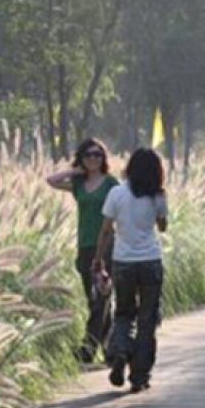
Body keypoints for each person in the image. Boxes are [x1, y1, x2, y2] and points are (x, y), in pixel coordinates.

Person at [93, 148, 168, 393]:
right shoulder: (157, 195)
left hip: (123, 262)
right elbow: (163, 226)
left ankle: (120, 353)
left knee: (123, 313)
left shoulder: (116, 193)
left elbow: (106, 230)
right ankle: (139, 376)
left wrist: (98, 260)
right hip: (150, 261)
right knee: (147, 320)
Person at [46, 138, 119, 363]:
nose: (93, 159)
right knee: (94, 299)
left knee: (102, 298)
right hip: (85, 246)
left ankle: (87, 349)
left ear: (103, 158)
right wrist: (76, 170)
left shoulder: (111, 184)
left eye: (98, 155)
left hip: (106, 246)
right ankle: (110, 350)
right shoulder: (78, 185)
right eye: (88, 155)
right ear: (82, 158)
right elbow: (52, 180)